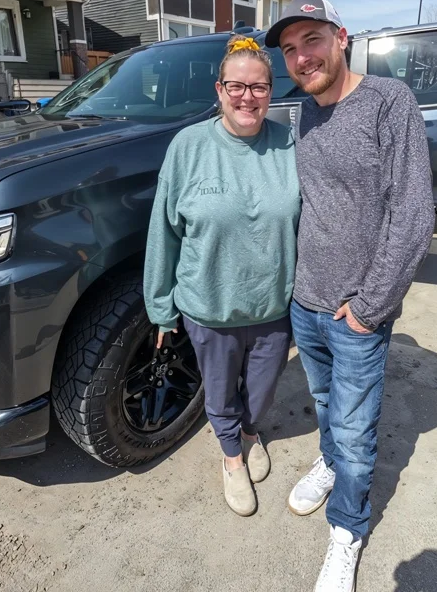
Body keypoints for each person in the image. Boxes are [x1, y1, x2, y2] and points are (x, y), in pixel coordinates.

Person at [264, 0, 435, 592]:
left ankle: (348, 531)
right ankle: (329, 463)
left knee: (359, 429)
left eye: (311, 40)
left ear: (341, 38)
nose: (301, 56)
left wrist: (369, 308)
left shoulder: (390, 102)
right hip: (305, 302)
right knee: (325, 404)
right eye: (289, 49)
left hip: (357, 310)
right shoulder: (304, 115)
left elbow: (413, 215)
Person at [143, 34, 301, 516]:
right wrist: (161, 307)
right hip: (210, 306)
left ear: (271, 93)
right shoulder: (188, 146)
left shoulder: (289, 144)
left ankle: (251, 434)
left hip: (273, 304)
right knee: (219, 391)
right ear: (219, 90)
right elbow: (163, 231)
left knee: (262, 389)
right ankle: (232, 458)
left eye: (258, 88)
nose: (247, 97)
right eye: (236, 86)